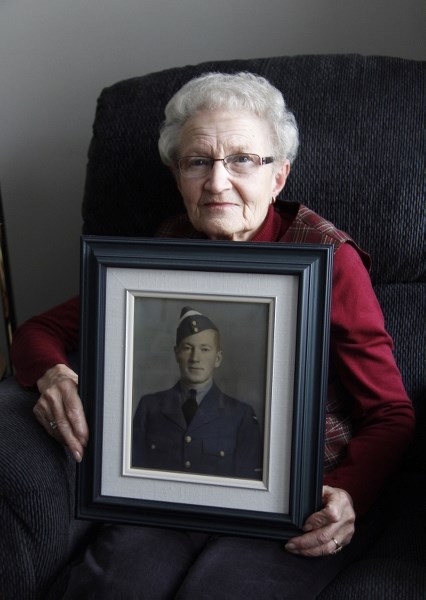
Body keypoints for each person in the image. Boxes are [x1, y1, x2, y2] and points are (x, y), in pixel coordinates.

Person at [11, 72, 415, 599]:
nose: (218, 182)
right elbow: (40, 329)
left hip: (295, 497)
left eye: (243, 159)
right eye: (198, 161)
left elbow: (391, 413)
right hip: (172, 484)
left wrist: (347, 495)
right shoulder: (163, 248)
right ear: (178, 176)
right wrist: (53, 374)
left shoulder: (330, 260)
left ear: (279, 176)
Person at [132, 306, 263, 479]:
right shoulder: (149, 408)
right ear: (176, 353)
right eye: (187, 348)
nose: (195, 358)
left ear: (218, 359)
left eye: (205, 349)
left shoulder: (241, 416)